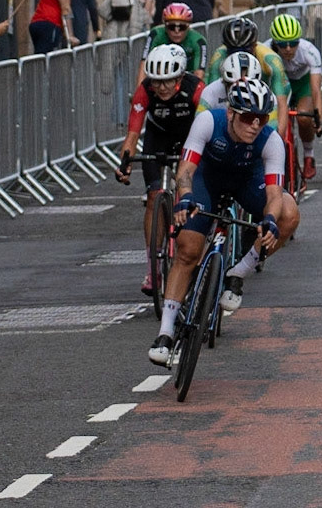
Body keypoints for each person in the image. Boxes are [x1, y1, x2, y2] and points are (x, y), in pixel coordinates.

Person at [149, 79, 301, 366]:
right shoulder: (208, 121)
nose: (254, 125)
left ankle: (238, 273)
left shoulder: (271, 141)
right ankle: (166, 332)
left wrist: (269, 219)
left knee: (289, 214)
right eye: (247, 117)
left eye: (261, 118)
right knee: (188, 250)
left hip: (247, 181)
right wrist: (185, 197)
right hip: (208, 179)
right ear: (231, 112)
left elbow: (273, 193)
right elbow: (186, 170)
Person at [114, 43, 205, 294]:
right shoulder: (145, 91)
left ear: (180, 76)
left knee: (190, 191)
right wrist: (124, 164)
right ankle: (152, 267)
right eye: (157, 82)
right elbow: (132, 135)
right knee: (154, 196)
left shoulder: (196, 89)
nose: (162, 88)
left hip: (191, 136)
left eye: (168, 82)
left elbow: (208, 127)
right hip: (159, 136)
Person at [269, 14, 322, 182]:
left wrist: (318, 118)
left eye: (293, 43)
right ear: (274, 43)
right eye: (282, 44)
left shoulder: (310, 51)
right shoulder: (265, 51)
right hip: (279, 84)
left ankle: (309, 154)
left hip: (302, 84)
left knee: (303, 117)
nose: (287, 49)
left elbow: (316, 90)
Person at [205, 17, 290, 109]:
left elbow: (280, 101)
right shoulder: (218, 57)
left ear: (255, 46)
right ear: (226, 48)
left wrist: (279, 123)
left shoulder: (270, 59)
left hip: (267, 90)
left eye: (245, 51)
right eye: (233, 51)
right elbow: (212, 95)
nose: (239, 55)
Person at [146, 4, 209, 81]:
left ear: (188, 26)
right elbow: (144, 64)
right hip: (162, 79)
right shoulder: (155, 34)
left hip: (189, 80)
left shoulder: (199, 41)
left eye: (182, 27)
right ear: (165, 25)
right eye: (172, 27)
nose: (177, 32)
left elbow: (199, 74)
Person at [197, 51, 269, 117]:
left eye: (245, 88)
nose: (239, 92)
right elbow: (199, 120)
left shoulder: (266, 95)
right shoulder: (210, 91)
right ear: (225, 82)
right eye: (233, 86)